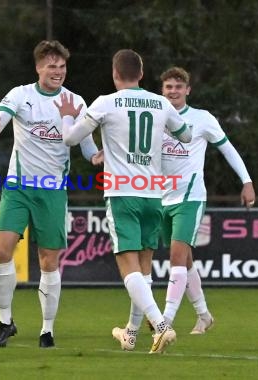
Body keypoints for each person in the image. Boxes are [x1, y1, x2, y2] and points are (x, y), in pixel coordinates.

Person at [56, 49, 192, 354]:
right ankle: (130, 332)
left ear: (115, 75)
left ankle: (160, 326)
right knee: (144, 268)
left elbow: (70, 138)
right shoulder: (161, 103)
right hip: (154, 193)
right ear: (141, 75)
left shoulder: (106, 102)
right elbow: (185, 136)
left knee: (127, 266)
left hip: (122, 192)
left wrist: (67, 115)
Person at [0, 40, 101, 348]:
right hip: (18, 186)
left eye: (62, 67)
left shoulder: (75, 101)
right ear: (38, 67)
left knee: (48, 260)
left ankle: (47, 329)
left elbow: (86, 144)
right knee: (2, 250)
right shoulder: (21, 94)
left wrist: (97, 157)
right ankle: (5, 322)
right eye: (52, 66)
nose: (58, 72)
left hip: (53, 191)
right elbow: (2, 117)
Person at [157, 66, 255, 333]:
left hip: (190, 197)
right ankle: (204, 315)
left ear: (187, 90)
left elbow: (228, 149)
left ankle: (163, 322)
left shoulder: (202, 118)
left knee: (176, 257)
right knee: (184, 259)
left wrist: (246, 182)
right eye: (168, 87)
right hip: (160, 197)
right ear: (162, 91)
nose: (173, 91)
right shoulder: (155, 117)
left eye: (178, 86)